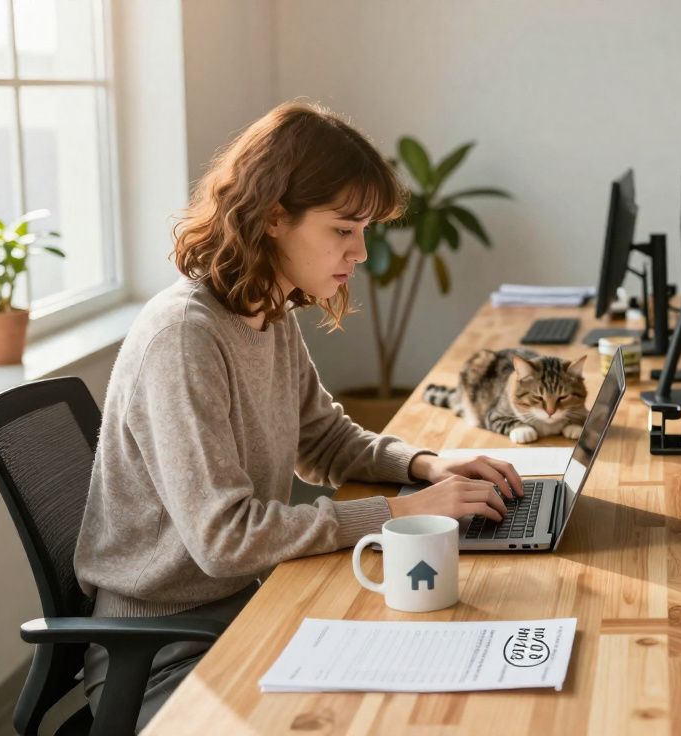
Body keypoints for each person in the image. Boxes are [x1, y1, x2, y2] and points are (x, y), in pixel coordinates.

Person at [73, 101, 523, 729]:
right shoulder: (185, 337)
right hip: (164, 653)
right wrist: (396, 513)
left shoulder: (267, 311)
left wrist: (426, 463)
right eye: (343, 229)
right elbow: (225, 540)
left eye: (363, 230)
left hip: (243, 609)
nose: (360, 252)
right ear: (274, 217)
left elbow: (324, 439)